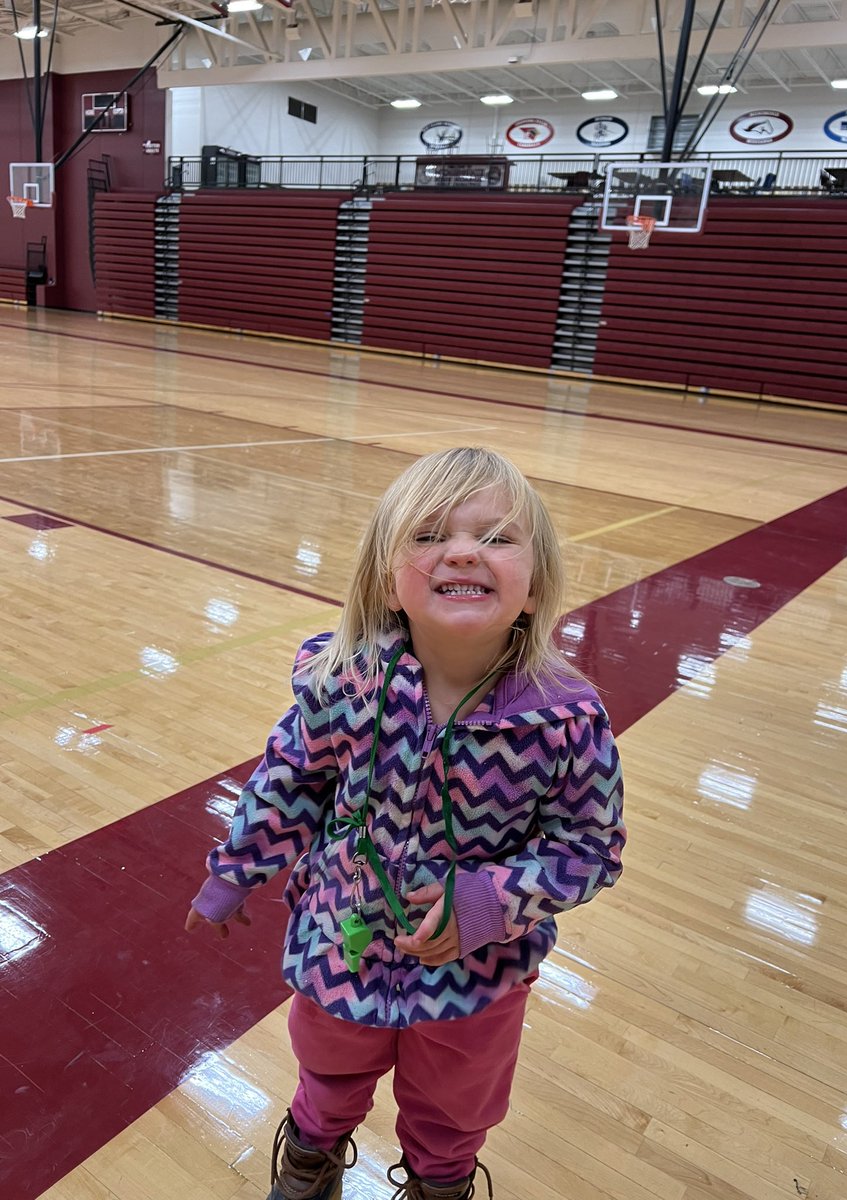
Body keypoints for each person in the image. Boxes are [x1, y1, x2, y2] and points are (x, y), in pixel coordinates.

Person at [186, 447, 626, 1200]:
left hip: (477, 975)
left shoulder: (566, 720)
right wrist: (234, 872)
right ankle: (313, 1157)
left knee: (454, 1113)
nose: (462, 550)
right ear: (389, 580)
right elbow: (289, 783)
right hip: (340, 946)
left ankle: (440, 1182)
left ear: (535, 584)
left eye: (495, 537)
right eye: (428, 536)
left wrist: (493, 901)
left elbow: (591, 849)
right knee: (325, 1076)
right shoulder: (340, 683)